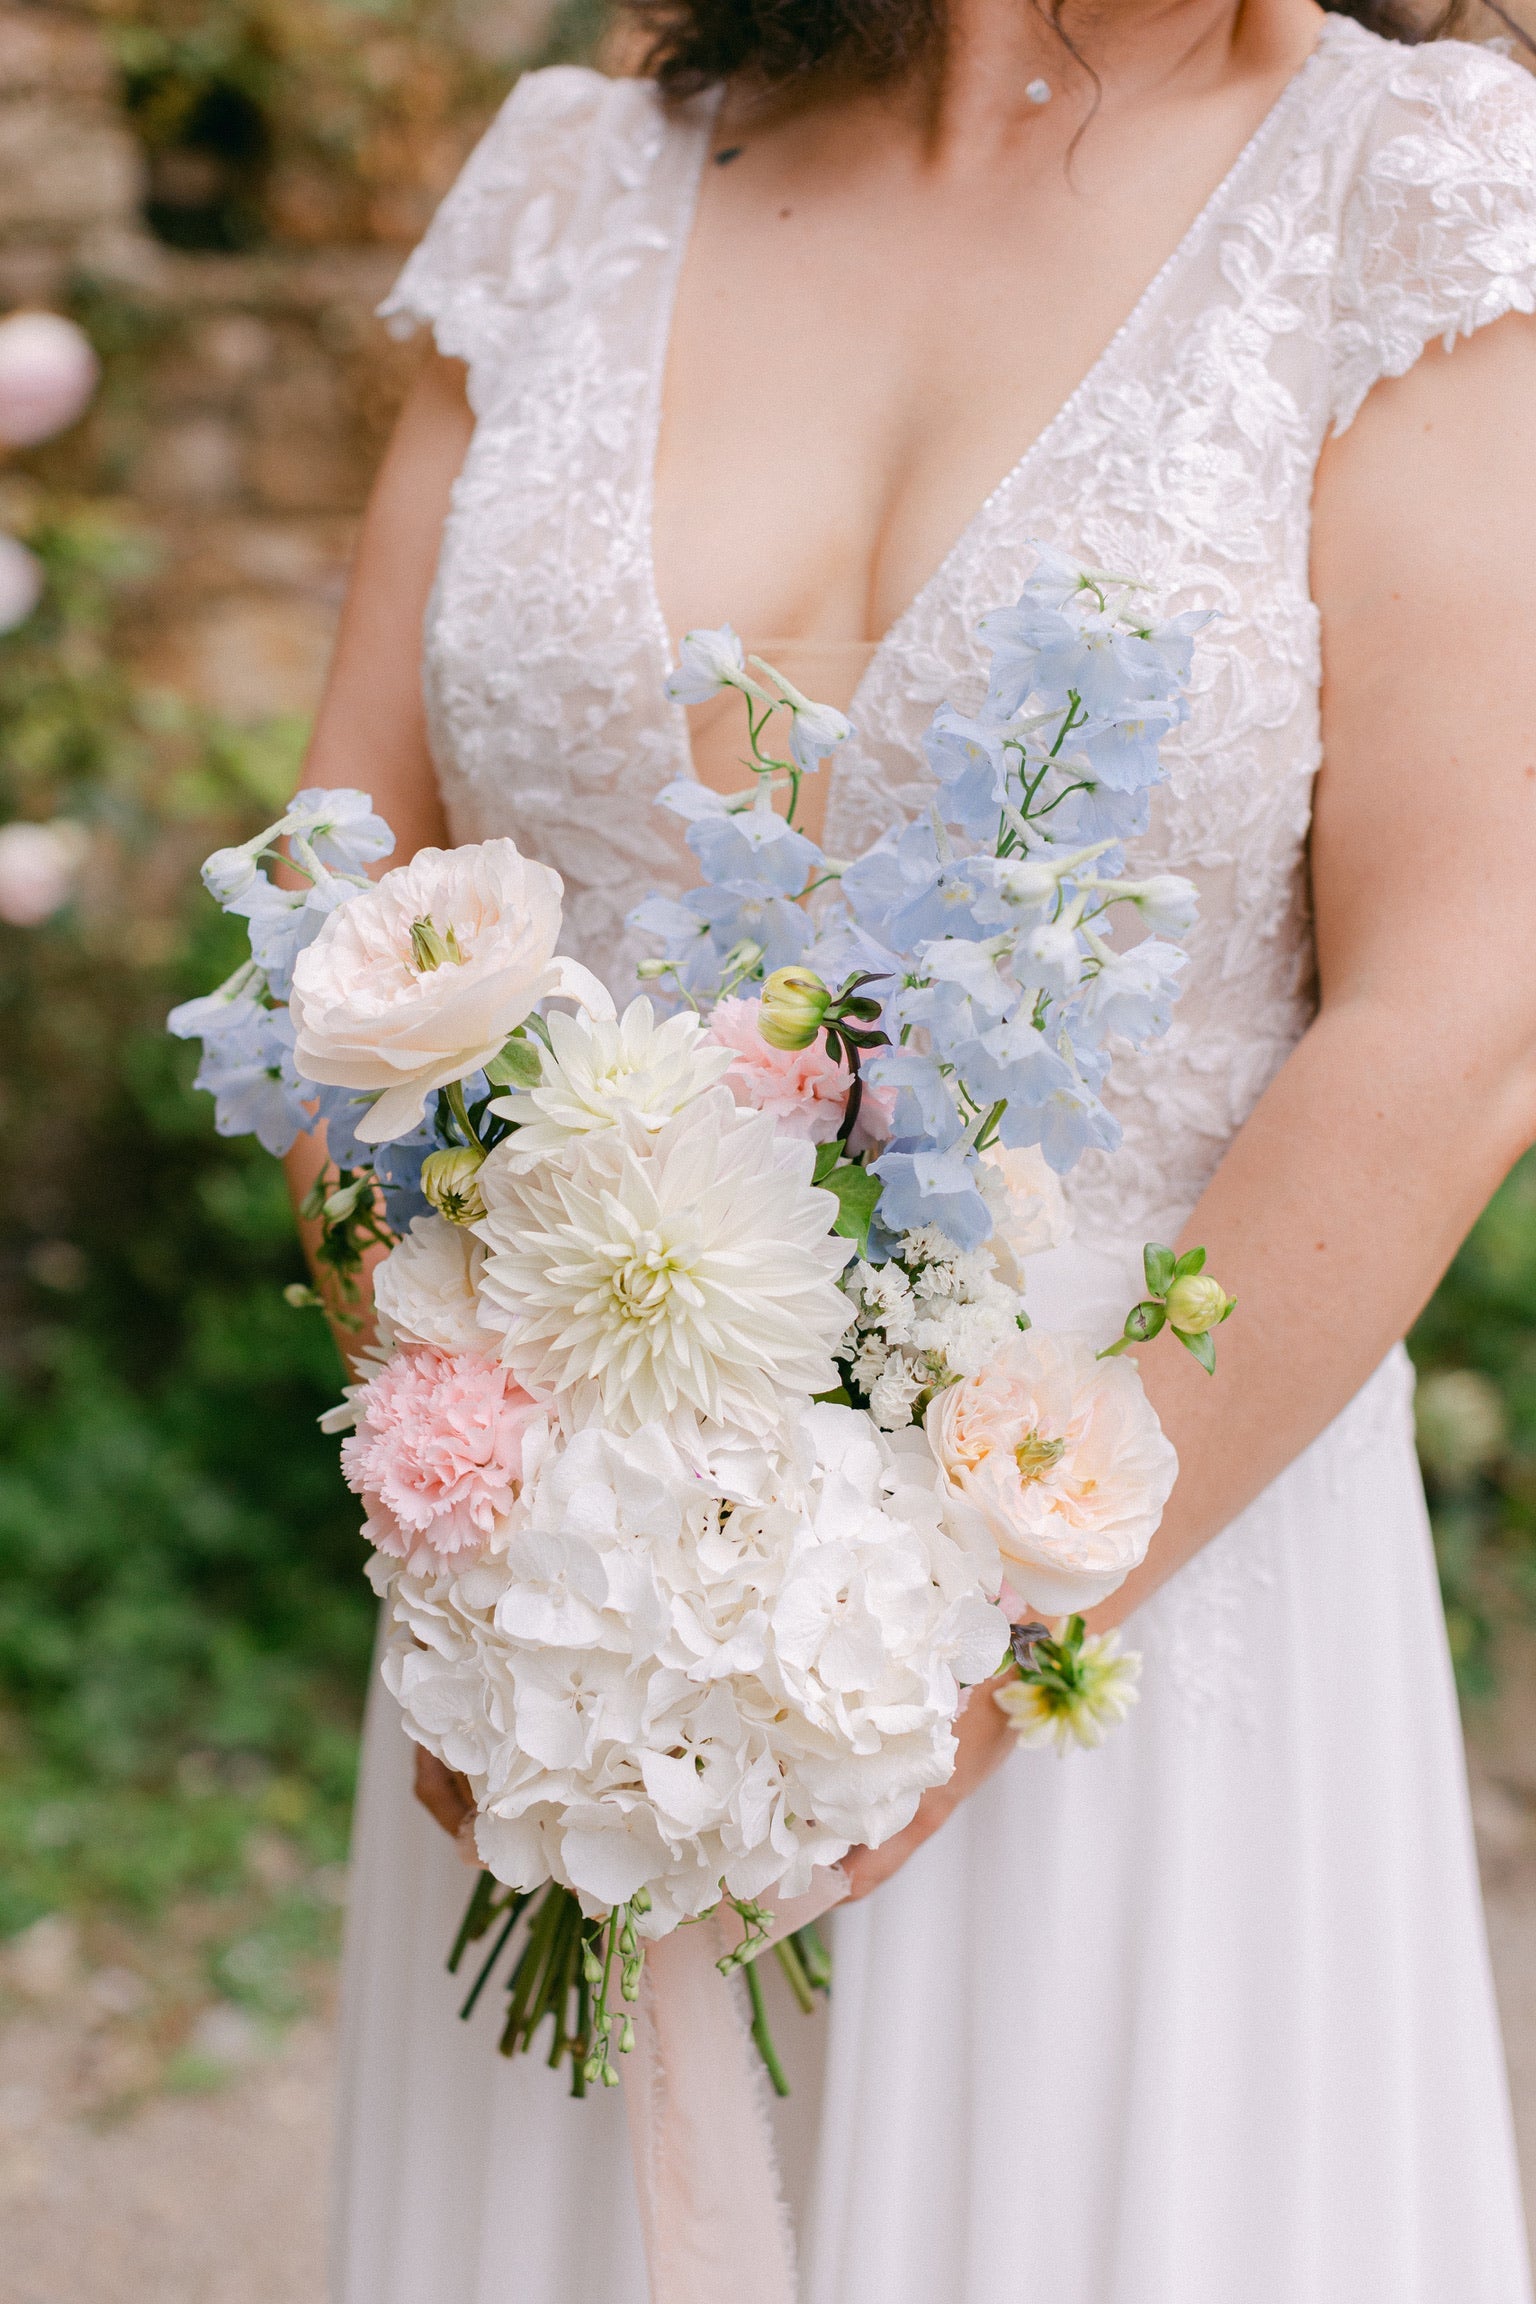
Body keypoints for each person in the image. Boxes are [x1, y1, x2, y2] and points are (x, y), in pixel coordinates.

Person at [290, 0, 1536, 2293]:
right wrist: (478, 1520)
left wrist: (927, 1662)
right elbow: (353, 910)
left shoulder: (1411, 191)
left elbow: (1457, 1017)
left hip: (1133, 1604)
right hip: (569, 1605)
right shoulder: (577, 172)